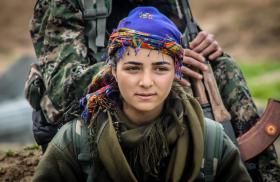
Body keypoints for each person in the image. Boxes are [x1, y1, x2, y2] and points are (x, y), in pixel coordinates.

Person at [26, 0, 280, 181]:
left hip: (165, 101)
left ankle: (264, 174)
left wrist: (198, 46)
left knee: (221, 65)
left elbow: (180, 41)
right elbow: (63, 91)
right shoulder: (64, 3)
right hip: (89, 110)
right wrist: (130, 65)